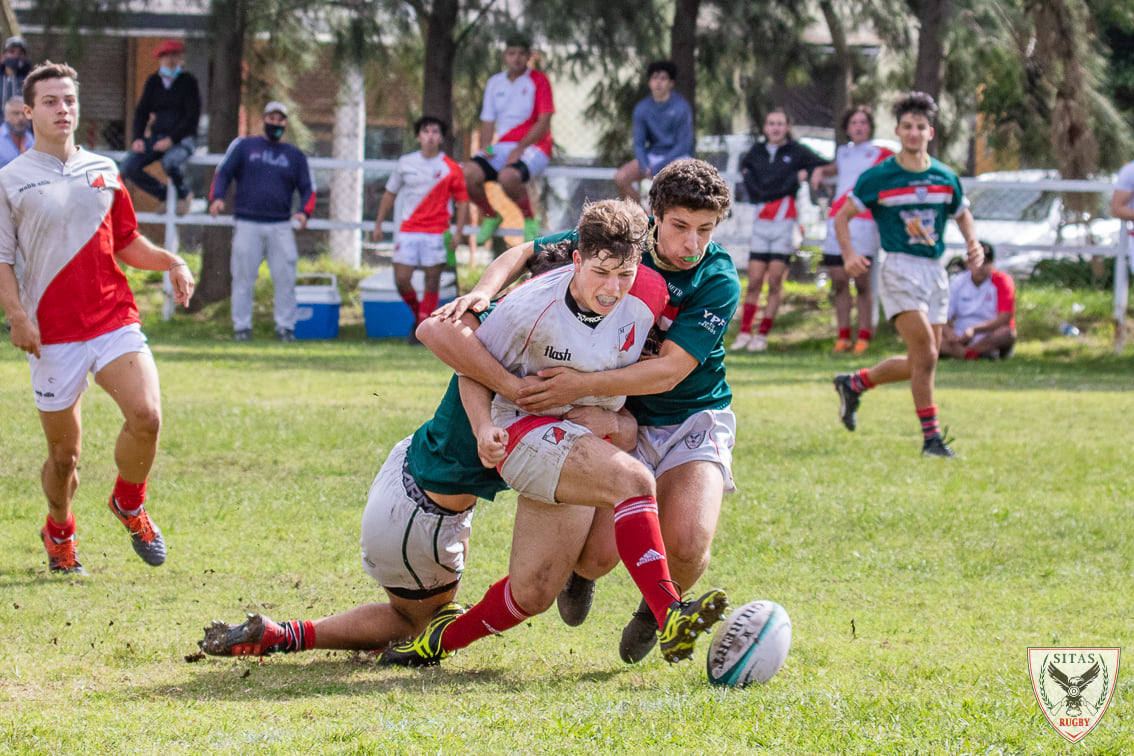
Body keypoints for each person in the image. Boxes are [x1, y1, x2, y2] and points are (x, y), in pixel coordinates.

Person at [196, 206, 645, 660]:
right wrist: (485, 307)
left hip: (416, 484)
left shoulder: (530, 339)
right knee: (412, 623)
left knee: (430, 615)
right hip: (419, 514)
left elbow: (526, 252)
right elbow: (443, 331)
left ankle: (283, 633)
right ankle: (282, 634)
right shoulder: (514, 329)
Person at [380, 198, 727, 668]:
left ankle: (432, 644)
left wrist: (618, 421)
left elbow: (647, 371)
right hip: (522, 428)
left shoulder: (649, 292)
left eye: (623, 275)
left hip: (578, 436)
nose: (612, 289)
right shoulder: (530, 306)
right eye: (601, 273)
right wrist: (490, 415)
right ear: (577, 260)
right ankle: (671, 615)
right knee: (634, 481)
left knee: (534, 591)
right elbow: (458, 353)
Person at [0, 62, 195, 575]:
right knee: (65, 458)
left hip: (113, 319)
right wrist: (17, 316)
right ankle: (59, 529)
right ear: (28, 111)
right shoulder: (10, 181)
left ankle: (129, 502)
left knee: (147, 416)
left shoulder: (104, 170)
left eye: (68, 99)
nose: (62, 109)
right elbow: (1, 260)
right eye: (49, 101)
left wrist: (171, 260)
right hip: (51, 335)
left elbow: (128, 243)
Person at [832, 91, 983, 458]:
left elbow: (961, 212)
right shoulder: (879, 177)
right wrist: (850, 254)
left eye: (920, 127)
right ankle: (931, 439)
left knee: (922, 360)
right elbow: (842, 216)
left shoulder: (945, 176)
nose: (913, 133)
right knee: (928, 354)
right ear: (898, 131)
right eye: (907, 127)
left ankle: (855, 383)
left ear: (930, 131)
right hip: (899, 268)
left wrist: (973, 243)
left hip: (936, 271)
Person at [209, 101, 316, 342]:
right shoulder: (244, 146)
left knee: (286, 278)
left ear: (286, 123)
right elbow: (223, 172)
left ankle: (285, 328)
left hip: (280, 225)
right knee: (243, 277)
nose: (275, 123)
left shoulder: (295, 156)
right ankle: (242, 328)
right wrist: (217, 198)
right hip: (247, 222)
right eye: (271, 118)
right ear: (263, 120)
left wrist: (304, 212)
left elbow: (309, 187)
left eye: (280, 119)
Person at [731, 108, 829, 352]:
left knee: (775, 281)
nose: (775, 128)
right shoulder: (756, 153)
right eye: (771, 123)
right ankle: (744, 332)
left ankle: (762, 335)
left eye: (780, 124)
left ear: (787, 126)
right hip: (761, 222)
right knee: (753, 281)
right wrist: (781, 185)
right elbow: (752, 183)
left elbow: (822, 163)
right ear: (765, 127)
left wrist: (809, 173)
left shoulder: (796, 151)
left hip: (785, 222)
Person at [370, 116, 469, 344]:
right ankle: (420, 319)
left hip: (436, 232)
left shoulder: (451, 168)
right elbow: (389, 193)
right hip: (408, 231)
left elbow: (462, 202)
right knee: (401, 279)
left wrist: (458, 232)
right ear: (418, 136)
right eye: (426, 131)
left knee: (431, 282)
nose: (431, 136)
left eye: (436, 131)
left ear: (441, 138)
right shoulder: (405, 163)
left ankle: (423, 331)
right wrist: (378, 224)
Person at [810, 106, 892, 354]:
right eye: (854, 123)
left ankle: (865, 335)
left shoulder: (882, 153)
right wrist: (818, 171)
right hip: (837, 220)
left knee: (863, 283)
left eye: (863, 122)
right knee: (839, 281)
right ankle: (843, 335)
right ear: (847, 128)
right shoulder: (843, 153)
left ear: (870, 127)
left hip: (864, 222)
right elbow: (833, 170)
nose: (858, 127)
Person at [466, 32, 554, 244]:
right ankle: (490, 215)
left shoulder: (539, 80)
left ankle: (530, 218)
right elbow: (487, 120)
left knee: (508, 177)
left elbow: (544, 122)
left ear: (528, 57)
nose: (516, 58)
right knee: (467, 174)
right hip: (503, 146)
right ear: (504, 55)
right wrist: (486, 146)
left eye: (521, 53)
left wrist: (520, 148)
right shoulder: (495, 82)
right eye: (511, 53)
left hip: (535, 145)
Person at [120, 39, 200, 215]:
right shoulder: (154, 82)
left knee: (170, 163)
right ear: (159, 60)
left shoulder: (188, 82)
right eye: (166, 56)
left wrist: (172, 139)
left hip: (182, 139)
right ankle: (165, 195)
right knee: (129, 167)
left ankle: (183, 195)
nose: (170, 60)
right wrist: (138, 138)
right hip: (157, 137)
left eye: (174, 56)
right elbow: (141, 112)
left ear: (181, 59)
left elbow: (192, 117)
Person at [613, 61, 694, 205]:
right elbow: (638, 143)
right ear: (649, 82)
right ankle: (640, 218)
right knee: (621, 177)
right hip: (652, 157)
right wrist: (645, 166)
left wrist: (659, 167)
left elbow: (683, 145)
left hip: (676, 157)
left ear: (671, 83)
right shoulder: (642, 108)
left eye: (663, 78)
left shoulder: (682, 107)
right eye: (654, 78)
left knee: (671, 190)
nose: (658, 83)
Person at [939, 242, 1016, 360]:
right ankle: (973, 354)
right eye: (976, 262)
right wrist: (949, 333)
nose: (980, 268)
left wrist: (974, 330)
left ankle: (959, 353)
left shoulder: (1002, 281)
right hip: (960, 336)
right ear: (967, 264)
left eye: (985, 263)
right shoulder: (957, 282)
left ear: (992, 264)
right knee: (931, 335)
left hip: (988, 335)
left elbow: (1004, 318)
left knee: (1007, 334)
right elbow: (942, 316)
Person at [0, 95, 33, 167]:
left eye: (24, 114)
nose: (21, 118)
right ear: (6, 116)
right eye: (16, 113)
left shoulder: (31, 139)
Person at [0, 36, 31, 105]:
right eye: (12, 51)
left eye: (20, 53)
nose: (16, 56)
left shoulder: (29, 81)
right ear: (4, 55)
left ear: (25, 56)